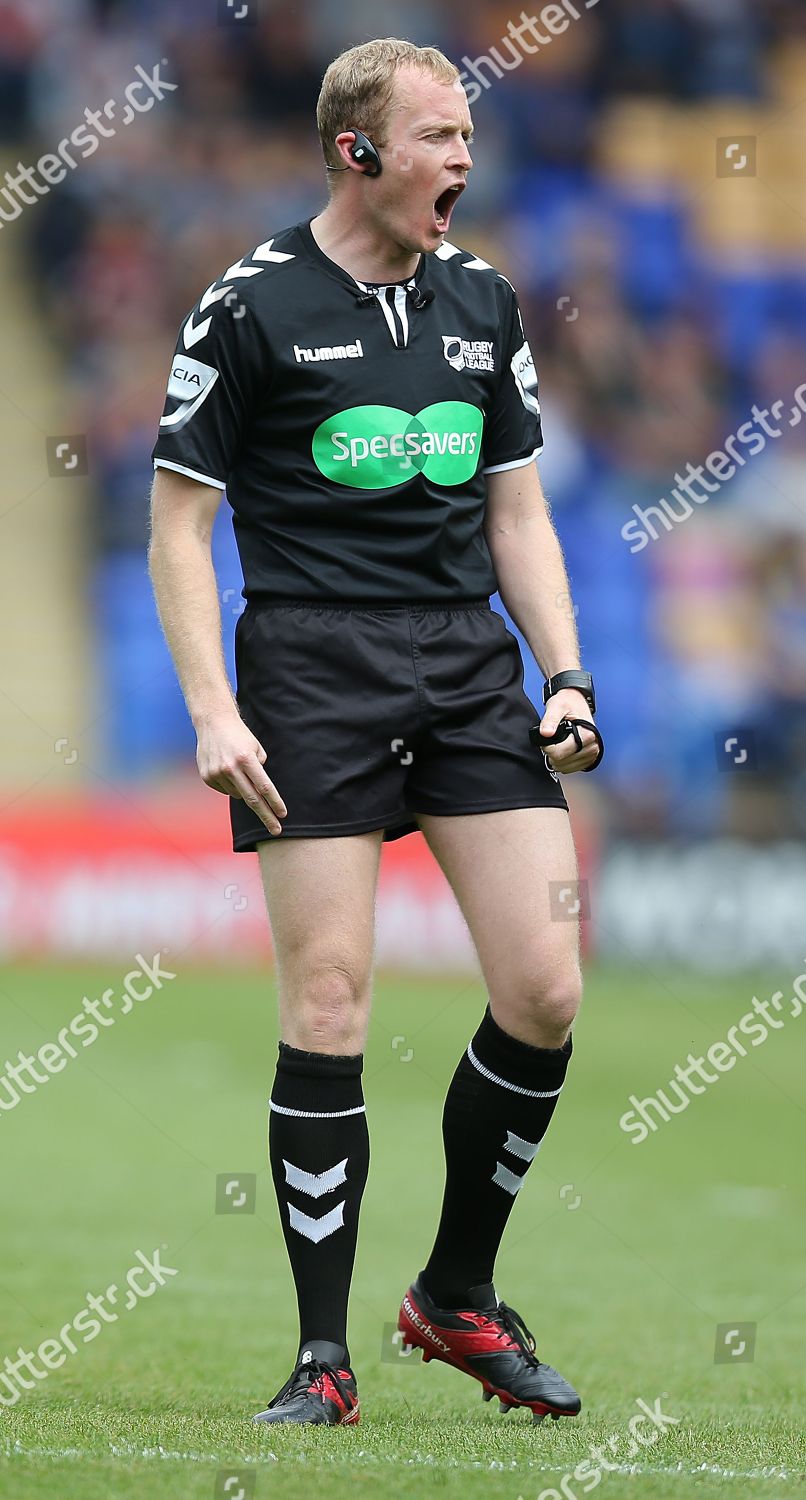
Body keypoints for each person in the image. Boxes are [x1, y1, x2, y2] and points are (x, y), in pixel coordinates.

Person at [148, 36, 601, 1429]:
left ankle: (453, 1297)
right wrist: (214, 710)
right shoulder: (250, 304)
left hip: (464, 665)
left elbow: (515, 509)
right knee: (330, 1003)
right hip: (310, 672)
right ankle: (320, 1359)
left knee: (546, 992)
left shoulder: (483, 302)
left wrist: (566, 675)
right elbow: (176, 522)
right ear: (357, 151)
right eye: (439, 137)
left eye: (468, 138)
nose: (463, 160)